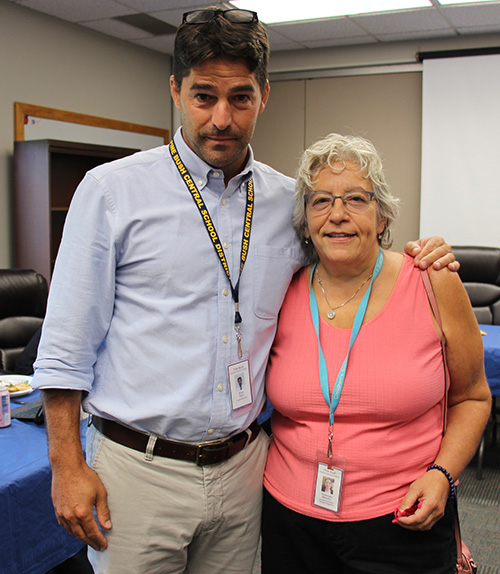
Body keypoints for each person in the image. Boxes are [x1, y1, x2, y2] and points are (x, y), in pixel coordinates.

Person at [32, 9, 457, 574]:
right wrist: (66, 463)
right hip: (140, 468)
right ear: (176, 91)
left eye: (241, 98)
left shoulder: (290, 203)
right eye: (203, 96)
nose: (221, 119)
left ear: (264, 97)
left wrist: (424, 254)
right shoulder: (113, 193)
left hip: (247, 468)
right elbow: (64, 345)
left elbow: (350, 262)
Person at [261, 133, 492, 574]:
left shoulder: (431, 281)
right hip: (289, 520)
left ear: (383, 213)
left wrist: (442, 474)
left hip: (402, 519)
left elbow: (473, 397)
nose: (338, 216)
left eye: (356, 199)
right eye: (321, 201)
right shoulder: (282, 290)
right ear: (305, 219)